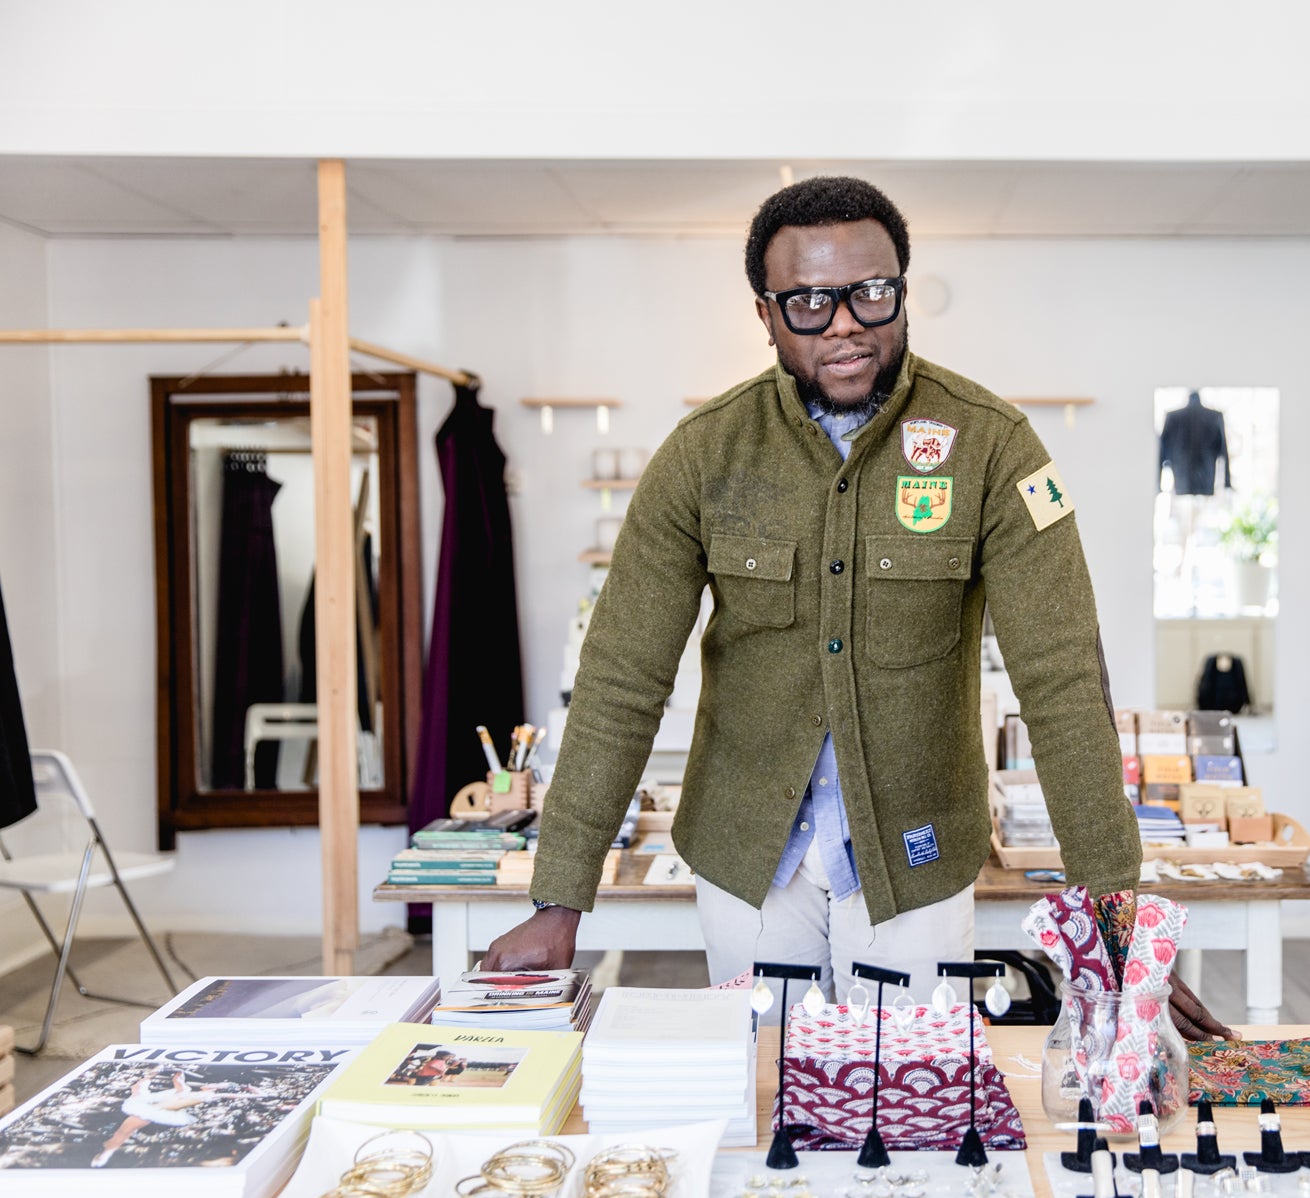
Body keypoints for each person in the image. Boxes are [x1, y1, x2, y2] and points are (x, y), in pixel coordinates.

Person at [485, 176, 1228, 1040]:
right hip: (745, 862)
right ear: (765, 315)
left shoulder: (992, 444)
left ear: (904, 291)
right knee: (770, 1112)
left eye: (871, 293)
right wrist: (559, 899)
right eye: (807, 302)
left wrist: (1112, 898)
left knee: (915, 1114)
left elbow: (1061, 678)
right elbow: (620, 680)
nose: (844, 323)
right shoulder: (701, 458)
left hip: (915, 860)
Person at [90, 1071, 255, 1166]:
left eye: (219, 1085)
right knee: (125, 1129)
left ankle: (108, 1151)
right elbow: (178, 1090)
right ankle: (108, 1151)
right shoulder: (191, 1090)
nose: (216, 1084)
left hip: (161, 1111)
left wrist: (251, 1092)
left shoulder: (209, 1095)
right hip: (155, 1107)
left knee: (126, 1129)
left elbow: (230, 1094)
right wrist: (177, 1080)